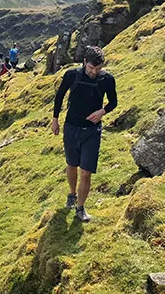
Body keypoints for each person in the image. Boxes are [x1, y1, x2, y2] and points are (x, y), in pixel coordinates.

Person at [50, 46, 117, 223]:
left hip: (92, 131)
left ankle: (80, 208)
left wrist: (102, 111)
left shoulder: (107, 79)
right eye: (91, 68)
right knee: (72, 165)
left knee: (86, 172)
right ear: (85, 62)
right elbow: (59, 97)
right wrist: (55, 119)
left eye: (98, 69)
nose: (94, 72)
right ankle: (72, 194)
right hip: (71, 127)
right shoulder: (72, 75)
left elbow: (113, 102)